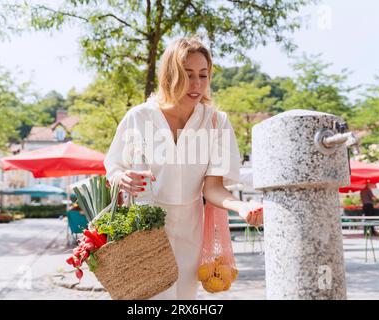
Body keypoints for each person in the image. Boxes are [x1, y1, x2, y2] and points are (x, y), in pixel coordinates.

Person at [104, 36, 262, 300]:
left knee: (184, 299)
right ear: (170, 74)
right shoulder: (139, 117)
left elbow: (212, 188)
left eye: (203, 75)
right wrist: (122, 177)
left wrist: (242, 207)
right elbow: (114, 167)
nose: (196, 84)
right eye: (187, 75)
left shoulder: (216, 123)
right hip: (145, 229)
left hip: (191, 228)